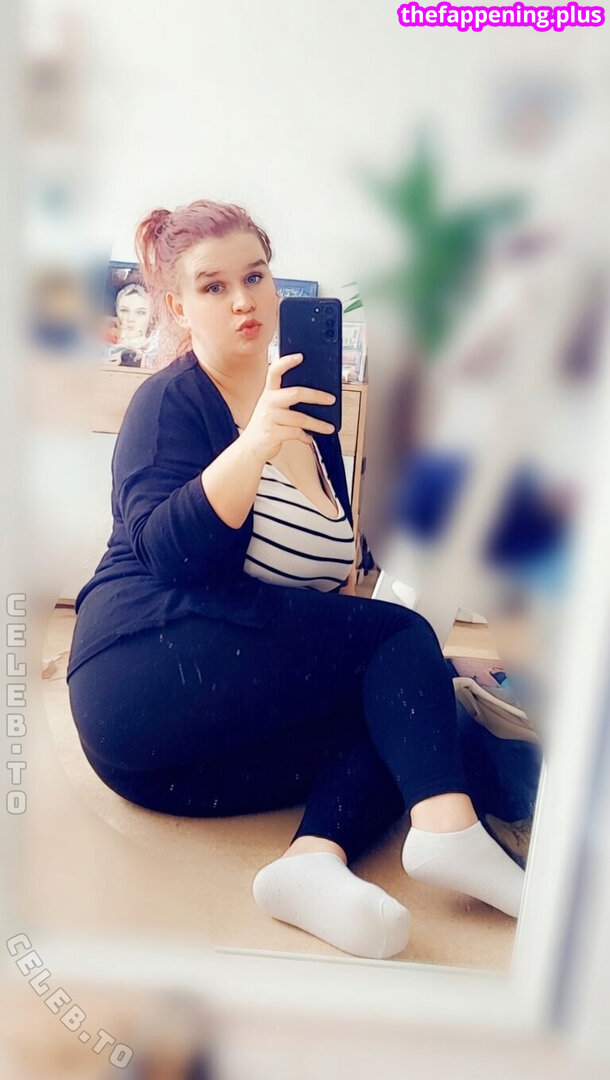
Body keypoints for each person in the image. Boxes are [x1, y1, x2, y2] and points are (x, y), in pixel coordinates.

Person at [67, 199, 524, 961]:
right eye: (213, 287)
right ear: (178, 306)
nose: (242, 300)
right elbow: (171, 556)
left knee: (395, 710)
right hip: (139, 667)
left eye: (255, 276)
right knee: (399, 635)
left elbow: (318, 601)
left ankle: (311, 862)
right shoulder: (169, 403)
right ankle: (451, 833)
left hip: (177, 768)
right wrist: (251, 446)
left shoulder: (311, 419)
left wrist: (422, 670)